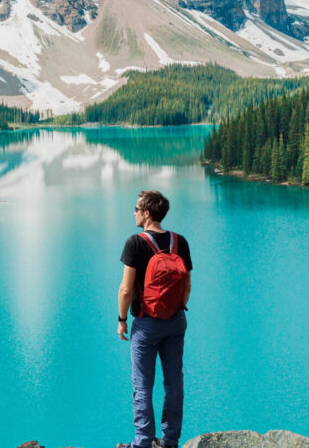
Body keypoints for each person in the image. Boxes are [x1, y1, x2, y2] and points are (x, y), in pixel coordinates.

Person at [117, 190, 192, 448]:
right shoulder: (178, 241)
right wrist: (178, 308)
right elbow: (187, 284)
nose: (134, 212)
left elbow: (126, 289)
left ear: (147, 213)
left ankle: (143, 443)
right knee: (174, 382)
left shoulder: (135, 243)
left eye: (137, 208)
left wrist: (122, 319)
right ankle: (170, 441)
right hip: (176, 321)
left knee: (142, 387)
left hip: (146, 324)